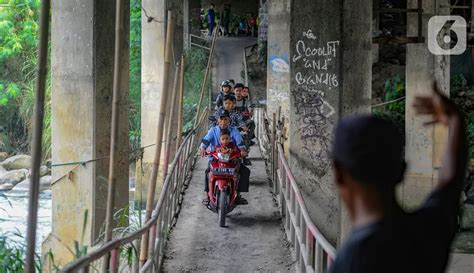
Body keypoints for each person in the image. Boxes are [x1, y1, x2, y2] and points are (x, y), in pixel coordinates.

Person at [328, 84, 467, 273]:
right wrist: (456, 120)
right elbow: (450, 182)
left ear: (337, 173)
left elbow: (450, 181)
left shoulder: (351, 261)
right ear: (402, 171)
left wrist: (455, 121)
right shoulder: (429, 230)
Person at [200, 109, 250, 205]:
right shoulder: (213, 130)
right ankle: (207, 195)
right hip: (216, 158)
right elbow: (206, 141)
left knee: (244, 171)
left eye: (225, 119)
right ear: (218, 120)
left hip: (232, 158)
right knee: (208, 172)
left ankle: (238, 195)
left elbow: (240, 142)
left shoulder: (234, 130)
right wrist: (203, 148)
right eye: (221, 119)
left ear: (229, 120)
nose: (223, 122)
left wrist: (242, 150)